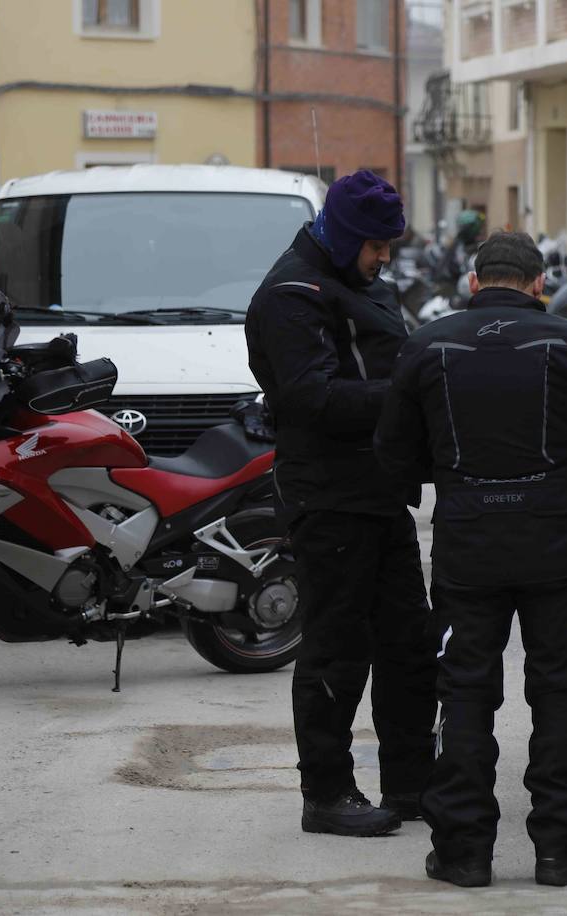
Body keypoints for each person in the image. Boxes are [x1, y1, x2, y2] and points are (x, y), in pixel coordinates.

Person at [375, 231, 567, 887]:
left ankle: (463, 852)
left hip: (468, 540)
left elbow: (394, 455)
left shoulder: (427, 344)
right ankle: (562, 850)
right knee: (561, 690)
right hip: (556, 539)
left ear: (474, 282)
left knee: (463, 691)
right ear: (539, 283)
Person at [244, 170, 436, 838]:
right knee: (336, 648)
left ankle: (414, 785)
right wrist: (407, 395)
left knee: (410, 644)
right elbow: (310, 398)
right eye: (377, 245)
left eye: (389, 244)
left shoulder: (359, 284)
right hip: (329, 499)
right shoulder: (290, 296)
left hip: (380, 493)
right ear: (348, 234)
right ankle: (326, 794)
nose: (386, 257)